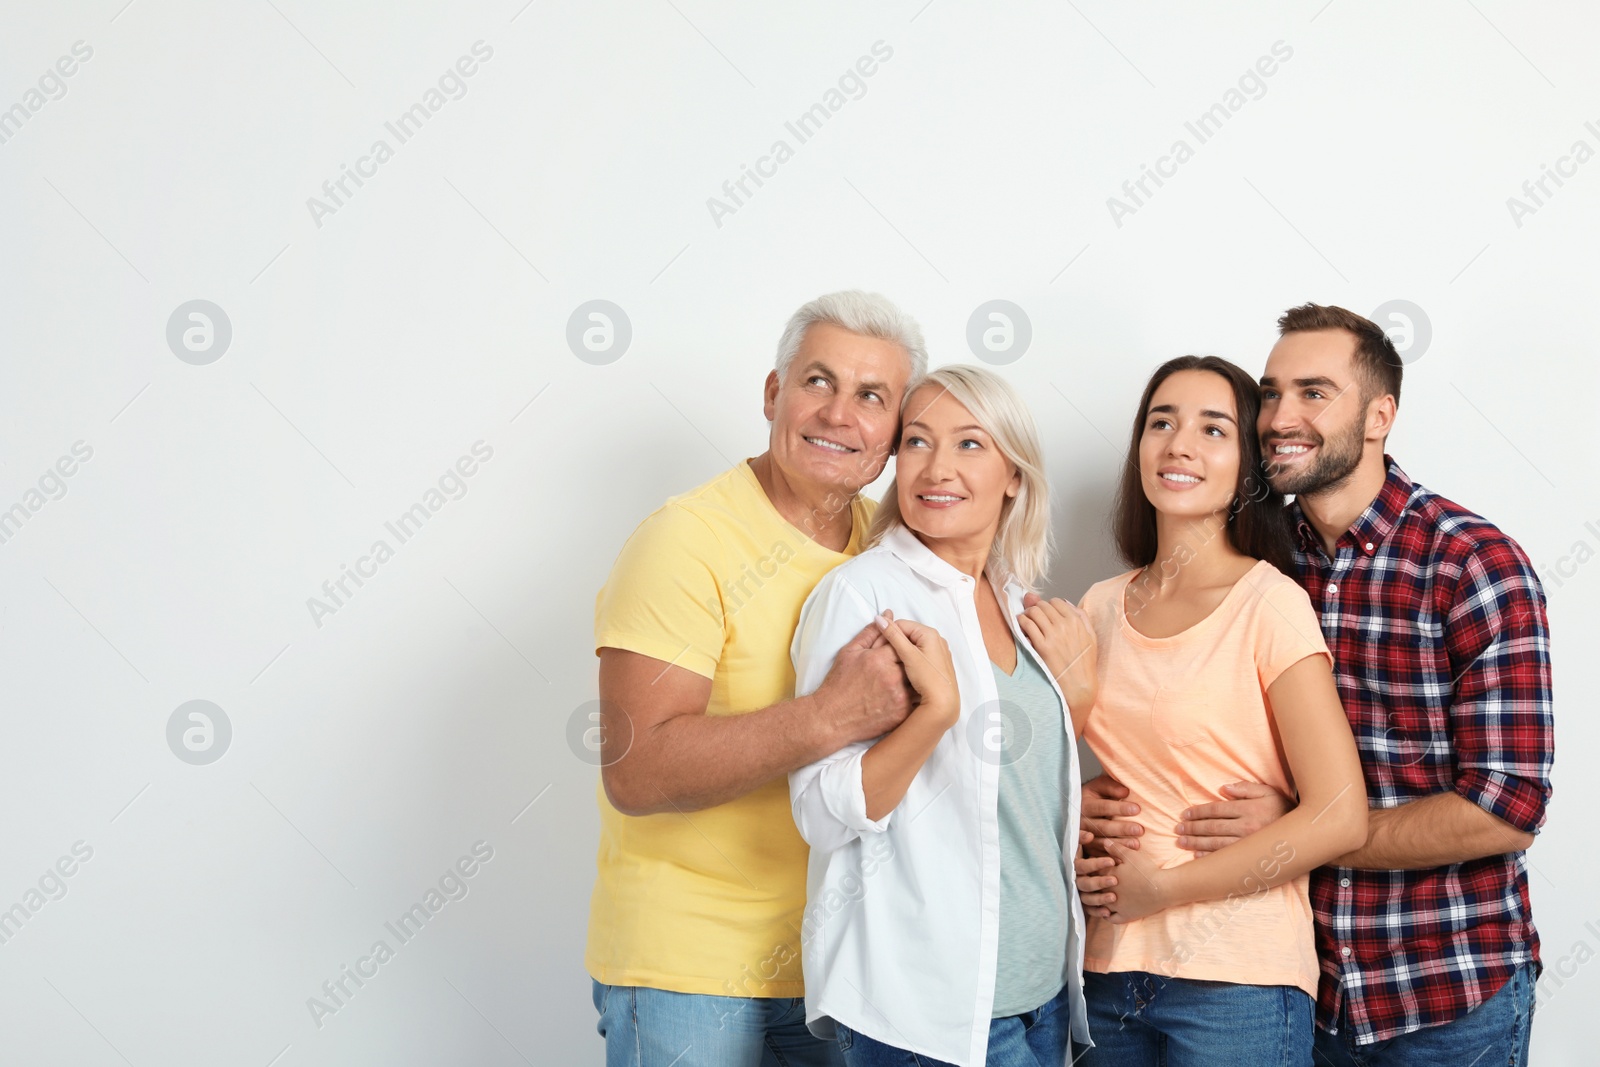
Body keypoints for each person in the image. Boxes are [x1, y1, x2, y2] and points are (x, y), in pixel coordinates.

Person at [1081, 306, 1554, 1065]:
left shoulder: (1470, 563)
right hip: (1308, 985)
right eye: (1270, 393)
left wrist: (1303, 825)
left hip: (1440, 987)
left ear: (1379, 415)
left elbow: (1507, 807)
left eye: (1313, 393)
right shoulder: (1263, 562)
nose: (1280, 417)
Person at [589, 291, 929, 1067]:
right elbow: (637, 770)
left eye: (871, 396)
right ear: (774, 394)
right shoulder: (686, 539)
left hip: (841, 966)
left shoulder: (896, 547)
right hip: (691, 969)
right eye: (818, 381)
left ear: (897, 433)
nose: (839, 413)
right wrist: (828, 716)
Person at [789, 365, 1098, 1067]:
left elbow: (1012, 793)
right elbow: (819, 813)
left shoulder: (1024, 607)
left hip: (1041, 996)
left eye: (969, 444)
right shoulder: (863, 593)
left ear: (1014, 475)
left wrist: (1078, 697)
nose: (935, 467)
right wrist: (934, 715)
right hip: (930, 1013)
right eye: (918, 441)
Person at [1070, 355, 1369, 1066]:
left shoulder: (1269, 604)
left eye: (1213, 429)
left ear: (1246, 467)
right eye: (1161, 422)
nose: (1178, 445)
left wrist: (1162, 889)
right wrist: (1071, 803)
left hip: (1238, 980)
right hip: (1106, 971)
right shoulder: (1097, 607)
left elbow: (1340, 812)